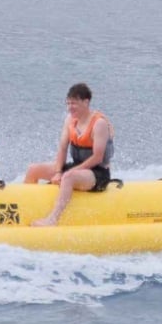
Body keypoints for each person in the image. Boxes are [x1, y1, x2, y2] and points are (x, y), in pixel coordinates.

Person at [23, 83, 114, 227]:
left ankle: (52, 219)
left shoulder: (99, 124)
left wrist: (68, 173)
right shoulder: (69, 120)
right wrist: (58, 172)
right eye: (68, 103)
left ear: (86, 102)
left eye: (74, 103)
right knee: (33, 169)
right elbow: (63, 148)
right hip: (78, 168)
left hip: (98, 174)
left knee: (68, 177)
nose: (70, 107)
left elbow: (98, 157)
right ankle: (24, 211)